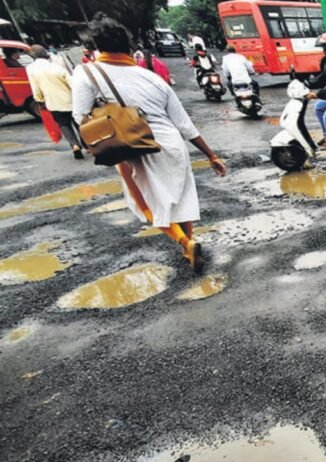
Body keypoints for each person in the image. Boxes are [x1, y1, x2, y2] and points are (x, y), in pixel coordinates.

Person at [71, 13, 227, 274]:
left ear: (97, 46)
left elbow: (79, 116)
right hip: (172, 143)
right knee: (181, 198)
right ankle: (187, 246)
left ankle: (186, 243)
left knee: (148, 202)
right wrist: (211, 155)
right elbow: (184, 122)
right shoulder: (151, 77)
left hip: (134, 146)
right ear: (129, 46)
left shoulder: (86, 73)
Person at [26, 44, 83, 159]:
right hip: (70, 100)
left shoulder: (31, 69)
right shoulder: (56, 67)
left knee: (64, 125)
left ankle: (75, 144)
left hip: (53, 102)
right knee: (78, 123)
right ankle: (88, 145)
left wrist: (39, 100)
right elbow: (72, 83)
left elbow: (35, 87)